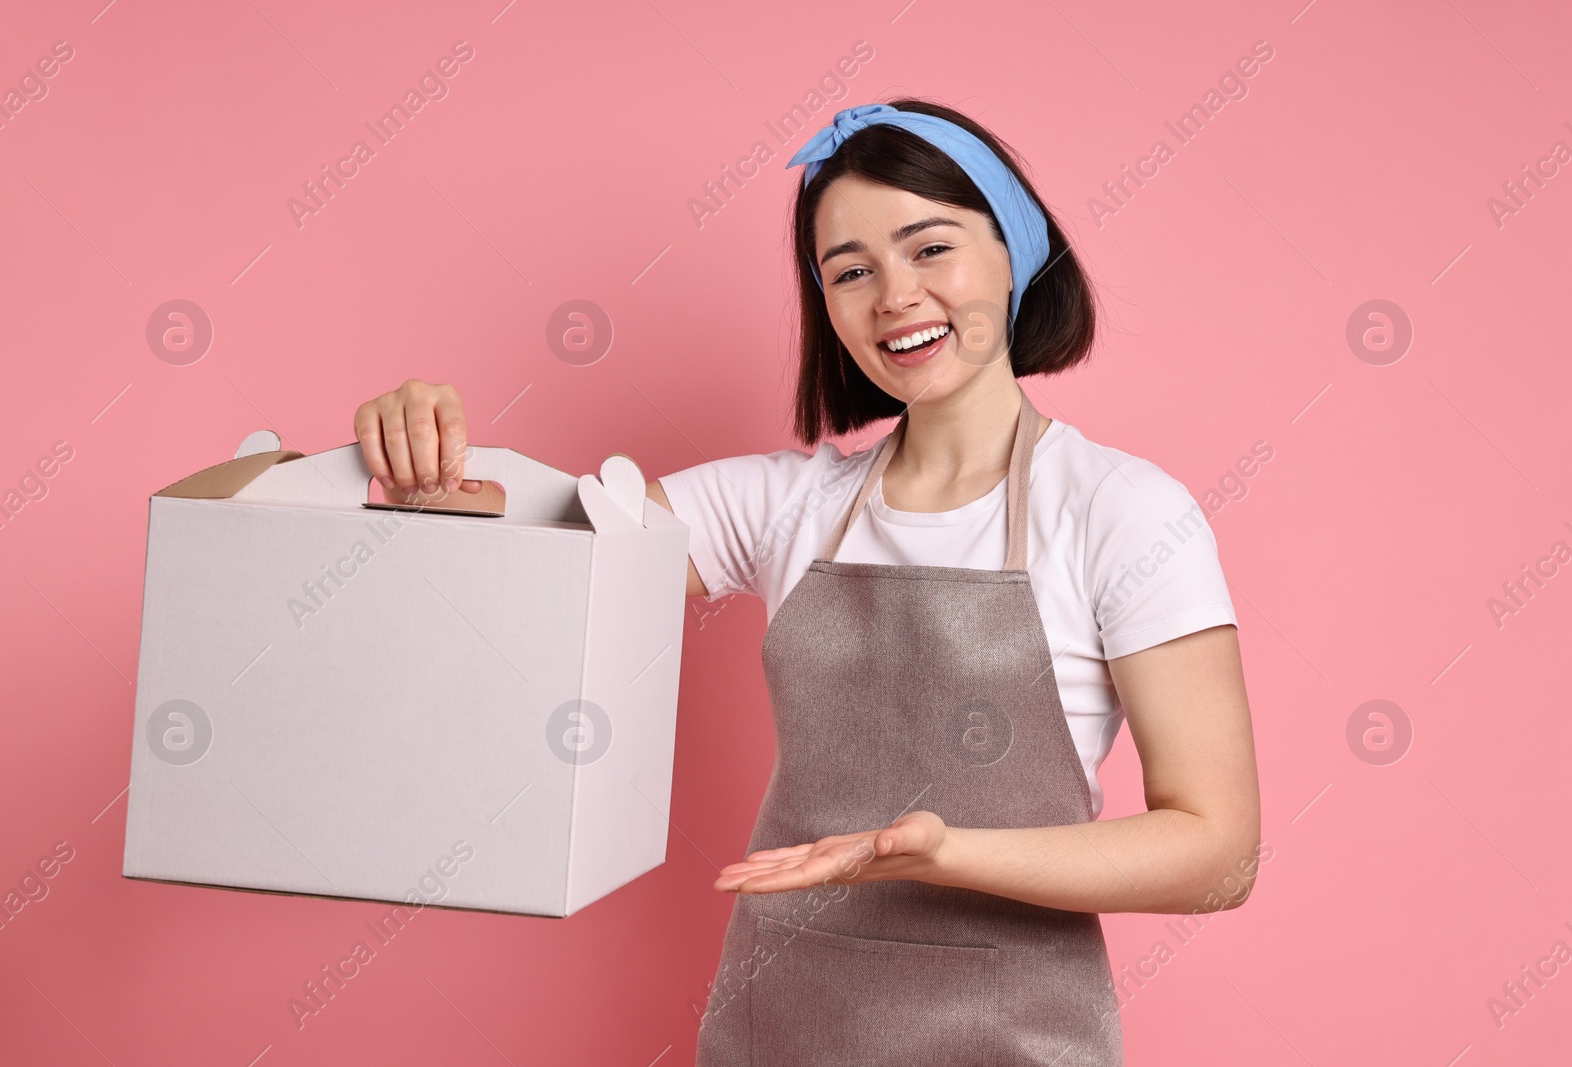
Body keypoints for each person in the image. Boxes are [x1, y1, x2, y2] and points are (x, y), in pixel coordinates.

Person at [352, 98, 1260, 1066]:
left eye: (929, 247)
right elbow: (507, 586)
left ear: (1017, 251)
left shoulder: (1122, 510)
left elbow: (1216, 849)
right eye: (850, 271)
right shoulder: (780, 504)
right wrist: (424, 468)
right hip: (779, 1019)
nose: (893, 294)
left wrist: (946, 852)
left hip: (1014, 1034)